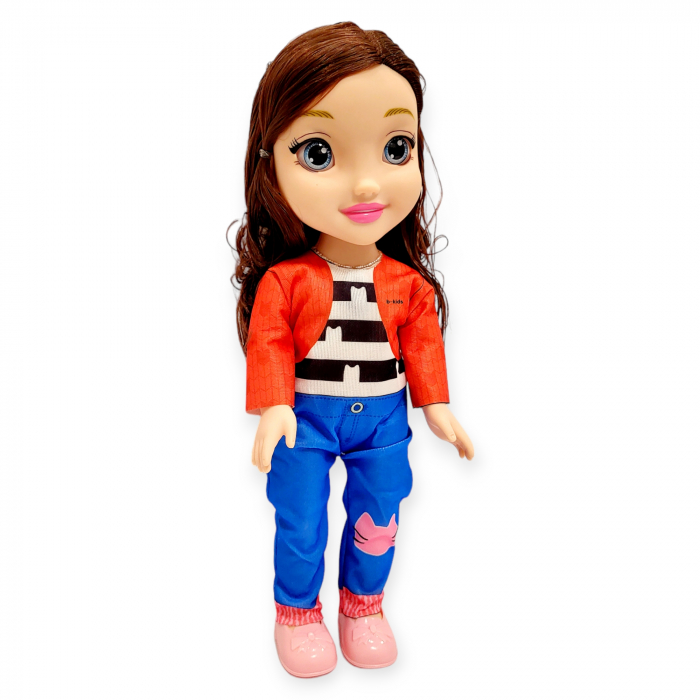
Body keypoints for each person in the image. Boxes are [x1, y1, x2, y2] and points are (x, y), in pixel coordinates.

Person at [231, 21, 474, 678]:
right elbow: (270, 342)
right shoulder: (288, 281)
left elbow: (422, 346)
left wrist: (436, 406)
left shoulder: (407, 286)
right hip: (305, 417)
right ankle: (297, 612)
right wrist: (274, 407)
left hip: (383, 417)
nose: (367, 186)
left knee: (380, 510)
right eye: (319, 153)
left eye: (396, 148)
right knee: (301, 515)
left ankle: (363, 606)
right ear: (270, 162)